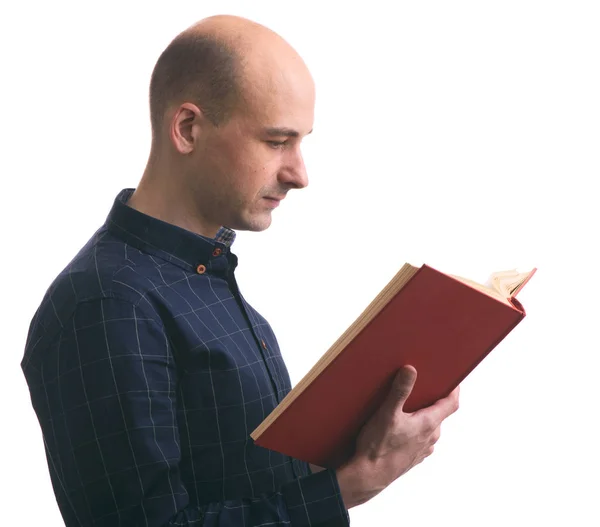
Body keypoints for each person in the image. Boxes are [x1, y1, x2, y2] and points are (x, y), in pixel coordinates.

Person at [21, 14, 460, 527]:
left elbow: (243, 481)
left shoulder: (202, 273)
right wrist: (346, 488)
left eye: (301, 142)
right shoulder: (106, 304)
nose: (299, 174)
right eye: (277, 142)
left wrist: (354, 451)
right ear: (188, 129)